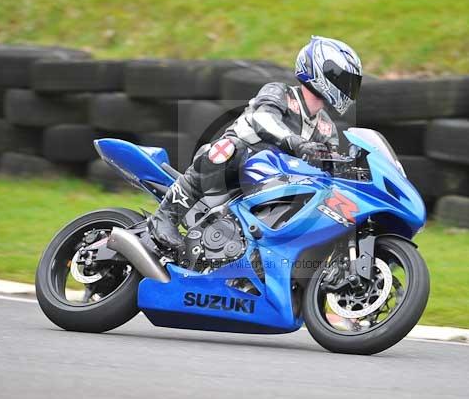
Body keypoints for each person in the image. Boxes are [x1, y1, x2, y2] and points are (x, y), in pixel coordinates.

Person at [148, 35, 363, 251]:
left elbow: (328, 160)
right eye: (344, 79)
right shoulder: (280, 92)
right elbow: (264, 119)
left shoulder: (327, 127)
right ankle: (165, 217)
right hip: (237, 165)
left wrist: (346, 166)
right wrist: (295, 143)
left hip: (279, 182)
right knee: (229, 149)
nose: (348, 87)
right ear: (321, 72)